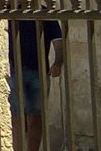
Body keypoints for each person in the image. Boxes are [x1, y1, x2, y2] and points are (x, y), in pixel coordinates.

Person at [8, 17, 65, 151]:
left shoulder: (45, 14)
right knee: (17, 117)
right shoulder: (10, 12)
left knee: (36, 118)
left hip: (39, 72)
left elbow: (59, 42)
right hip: (14, 71)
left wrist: (58, 62)